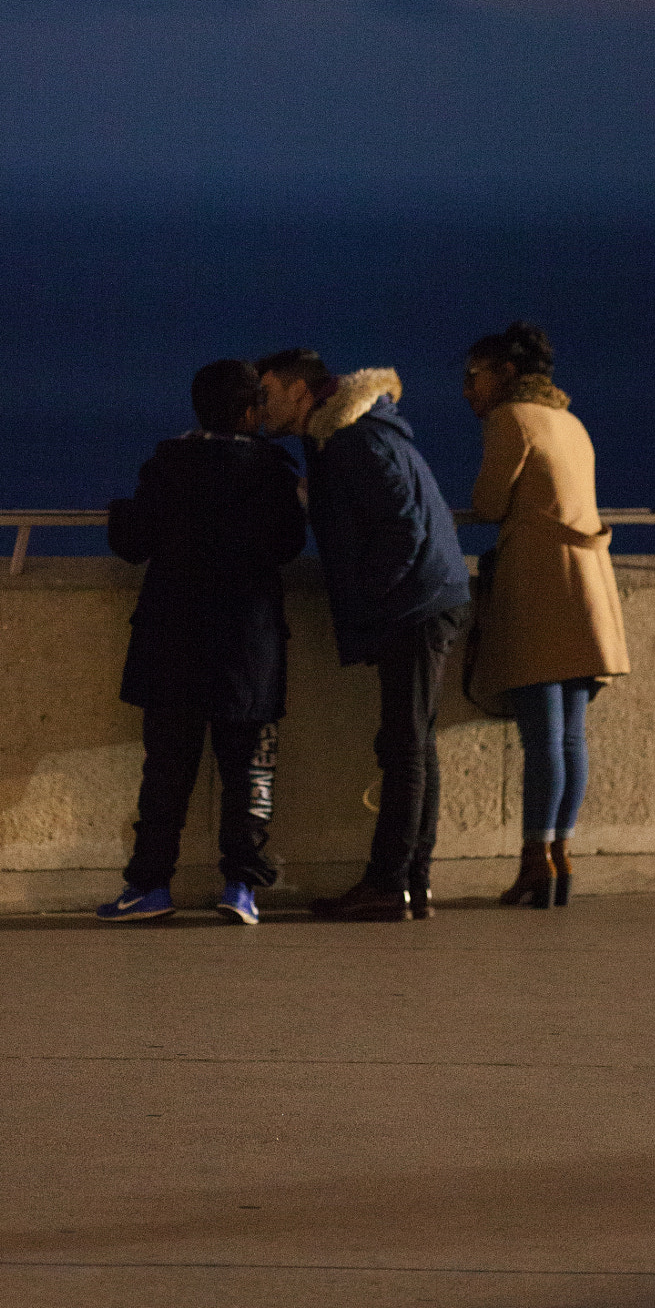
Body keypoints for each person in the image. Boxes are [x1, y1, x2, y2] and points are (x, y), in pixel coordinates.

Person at [255, 349, 470, 921]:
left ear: (302, 392)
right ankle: (410, 885)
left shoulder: (354, 440)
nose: (260, 405)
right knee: (414, 745)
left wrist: (373, 598)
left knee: (405, 746)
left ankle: (390, 883)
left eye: (269, 391)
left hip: (416, 602)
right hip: (427, 595)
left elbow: (403, 525)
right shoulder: (344, 435)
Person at [99, 359, 308, 925]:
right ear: (249, 411)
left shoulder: (169, 464)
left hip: (174, 640)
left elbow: (134, 541)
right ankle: (241, 885)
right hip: (248, 646)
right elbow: (289, 545)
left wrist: (120, 512)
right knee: (249, 771)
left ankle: (150, 885)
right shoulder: (271, 470)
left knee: (166, 769)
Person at [462, 321, 630, 908]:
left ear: (505, 373)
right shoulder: (570, 423)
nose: (467, 390)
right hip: (585, 587)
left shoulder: (511, 420)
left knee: (543, 738)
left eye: (474, 375)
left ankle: (535, 860)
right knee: (571, 736)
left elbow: (487, 505)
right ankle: (560, 856)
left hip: (538, 588)